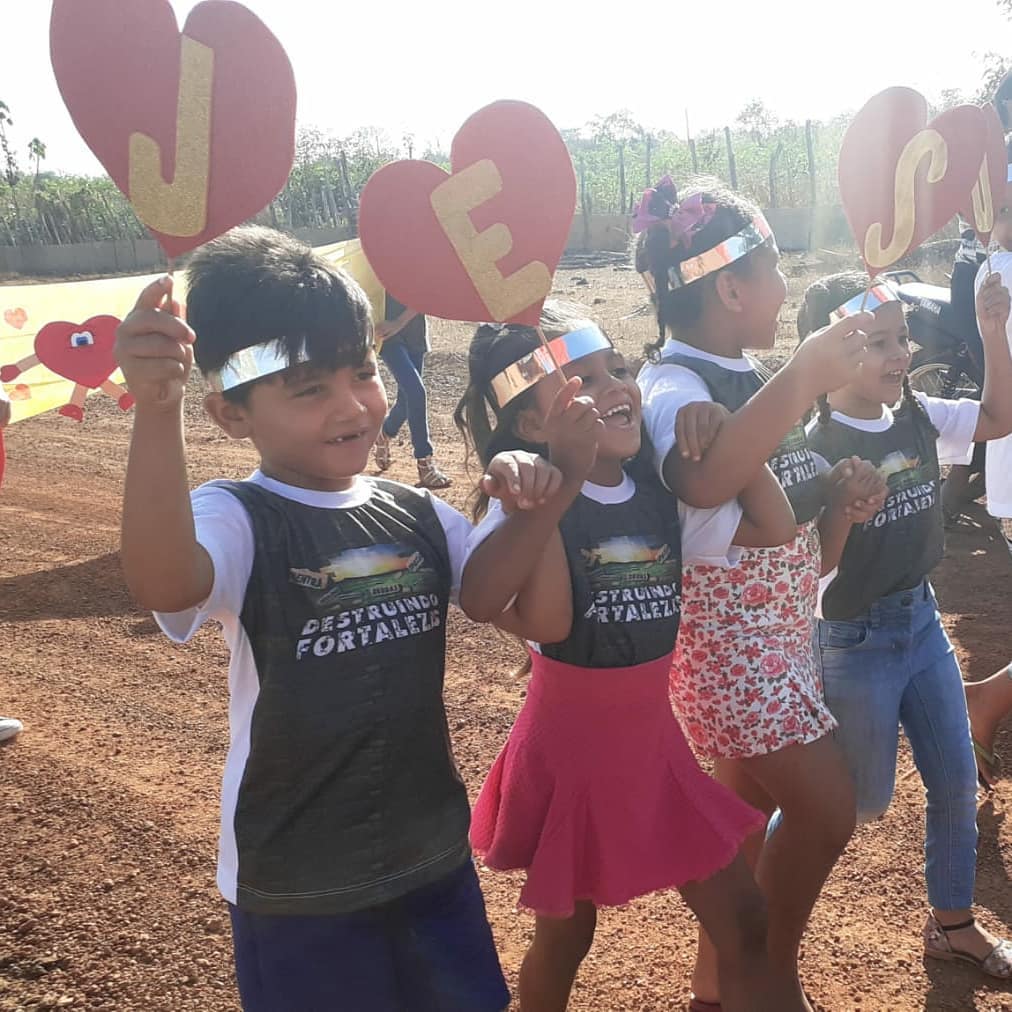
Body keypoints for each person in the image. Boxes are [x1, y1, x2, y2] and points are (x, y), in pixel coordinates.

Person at [112, 225, 562, 1012]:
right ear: (229, 415)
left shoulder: (415, 513)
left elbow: (530, 615)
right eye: (309, 388)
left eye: (363, 372)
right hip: (298, 882)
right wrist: (156, 411)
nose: (354, 405)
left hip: (431, 861)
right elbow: (165, 579)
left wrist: (535, 506)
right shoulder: (239, 516)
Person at [454, 302, 797, 1011]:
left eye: (615, 367)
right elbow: (514, 609)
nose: (615, 386)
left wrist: (729, 438)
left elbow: (775, 524)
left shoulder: (657, 496)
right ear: (527, 424)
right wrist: (546, 482)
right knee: (566, 939)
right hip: (571, 749)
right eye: (580, 378)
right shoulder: (527, 496)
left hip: (652, 744)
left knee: (746, 917)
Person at [636, 177, 886, 1011]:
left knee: (742, 837)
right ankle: (766, 977)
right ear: (731, 288)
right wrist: (807, 374)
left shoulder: (744, 378)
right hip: (733, 666)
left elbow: (785, 547)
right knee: (826, 811)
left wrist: (840, 512)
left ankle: (717, 992)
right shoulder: (675, 389)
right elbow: (708, 484)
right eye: (776, 270)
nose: (786, 289)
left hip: (775, 654)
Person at [798, 268, 1012, 979]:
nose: (900, 354)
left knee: (954, 778)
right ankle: (755, 877)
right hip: (852, 640)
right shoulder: (810, 447)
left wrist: (991, 331)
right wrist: (839, 511)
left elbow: (997, 418)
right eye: (878, 342)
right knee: (855, 802)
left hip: (919, 625)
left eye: (902, 338)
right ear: (831, 351)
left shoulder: (915, 414)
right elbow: (803, 579)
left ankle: (952, 925)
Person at [373, 294, 451, 489]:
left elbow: (427, 293)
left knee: (406, 401)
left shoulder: (421, 262)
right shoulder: (374, 263)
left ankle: (384, 433)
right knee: (416, 392)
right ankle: (424, 461)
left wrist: (399, 322)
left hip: (414, 331)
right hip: (387, 335)